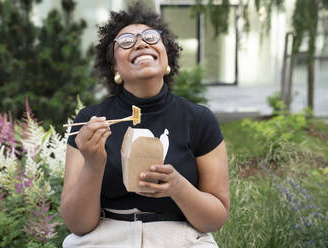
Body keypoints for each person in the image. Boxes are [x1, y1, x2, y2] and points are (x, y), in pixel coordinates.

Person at [60, 2, 229, 248]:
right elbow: (78, 225)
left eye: (151, 37)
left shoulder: (199, 119)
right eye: (126, 41)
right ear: (115, 68)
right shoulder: (92, 121)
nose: (141, 43)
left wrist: (178, 187)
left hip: (180, 239)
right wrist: (94, 165)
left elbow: (215, 219)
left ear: (167, 55)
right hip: (105, 238)